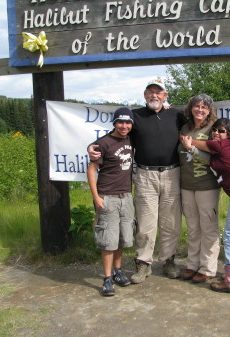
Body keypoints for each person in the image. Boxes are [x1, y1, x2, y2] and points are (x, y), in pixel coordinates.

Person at [89, 79, 186, 284]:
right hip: (145, 176)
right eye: (150, 92)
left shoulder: (176, 114)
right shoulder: (136, 116)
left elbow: (195, 128)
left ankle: (168, 260)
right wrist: (93, 145)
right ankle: (143, 263)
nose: (154, 95)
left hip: (172, 174)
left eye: (158, 93)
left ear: (165, 96)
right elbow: (117, 134)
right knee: (146, 224)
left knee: (171, 223)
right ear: (144, 95)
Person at [181, 118, 230, 294]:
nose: (216, 133)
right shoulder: (227, 147)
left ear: (229, 134)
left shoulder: (222, 145)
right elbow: (207, 159)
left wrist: (185, 139)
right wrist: (191, 149)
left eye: (221, 131)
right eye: (214, 130)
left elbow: (193, 142)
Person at [87, 107, 136, 296]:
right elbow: (92, 170)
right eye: (120, 122)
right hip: (107, 197)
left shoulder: (132, 140)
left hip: (126, 196)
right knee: (108, 241)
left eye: (128, 122)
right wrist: (96, 196)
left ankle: (118, 271)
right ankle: (107, 279)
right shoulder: (103, 143)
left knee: (122, 238)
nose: (124, 126)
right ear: (114, 123)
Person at [178, 94, 220, 283]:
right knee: (193, 227)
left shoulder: (214, 128)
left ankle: (208, 268)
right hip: (187, 185)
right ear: (191, 108)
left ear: (210, 110)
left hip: (207, 185)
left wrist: (191, 144)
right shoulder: (185, 127)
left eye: (204, 107)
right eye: (197, 106)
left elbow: (217, 152)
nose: (200, 110)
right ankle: (192, 264)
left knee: (208, 227)